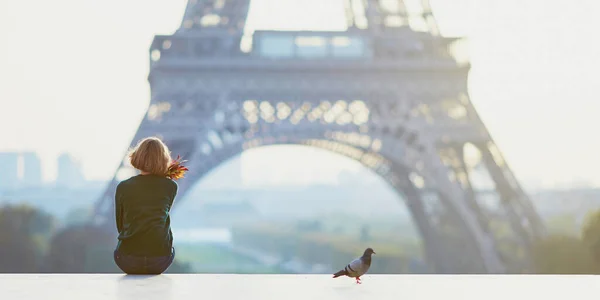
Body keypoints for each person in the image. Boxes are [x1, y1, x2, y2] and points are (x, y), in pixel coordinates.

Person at [113, 137, 178, 275]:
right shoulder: (170, 186)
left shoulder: (123, 187)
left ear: (137, 157)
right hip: (160, 260)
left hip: (127, 259)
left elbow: (121, 225)